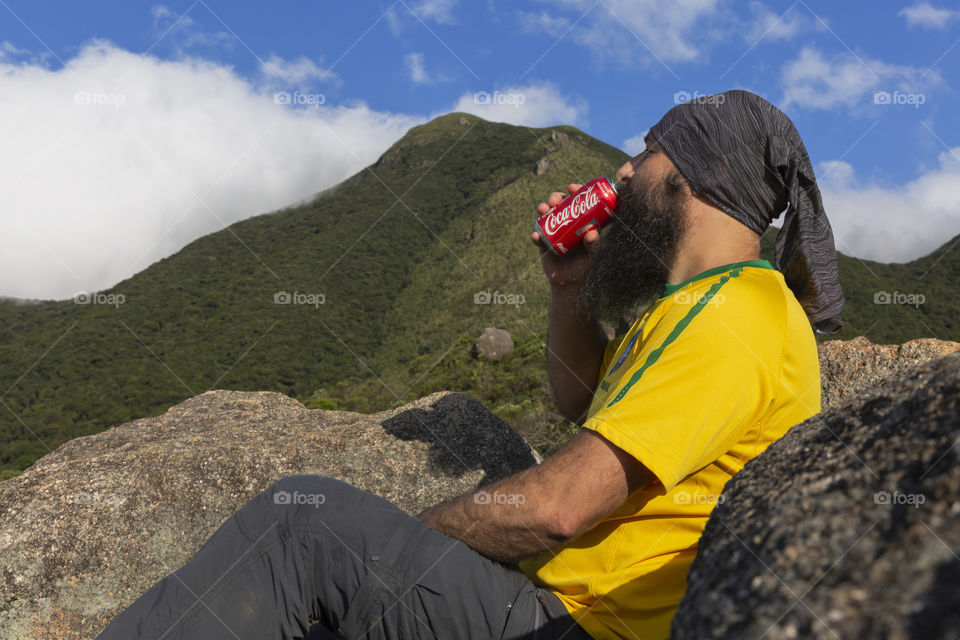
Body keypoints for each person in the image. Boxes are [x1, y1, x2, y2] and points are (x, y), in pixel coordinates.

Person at [96, 89, 844, 640]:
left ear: (701, 174)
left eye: (650, 151)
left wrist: (416, 535)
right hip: (559, 610)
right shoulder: (700, 307)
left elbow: (558, 509)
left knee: (303, 521)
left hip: (576, 623)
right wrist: (570, 287)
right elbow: (581, 401)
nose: (625, 168)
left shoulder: (736, 316)